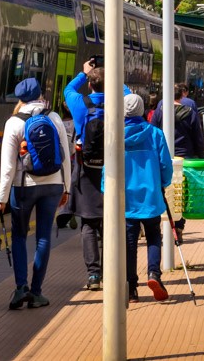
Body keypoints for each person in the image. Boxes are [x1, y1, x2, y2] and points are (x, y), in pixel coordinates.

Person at [0, 78, 72, 310]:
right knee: (44, 236)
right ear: (40, 94)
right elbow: (65, 156)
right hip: (53, 184)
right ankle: (37, 293)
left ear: (20, 98)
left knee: (19, 235)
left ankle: (21, 289)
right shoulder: (54, 117)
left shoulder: (14, 123)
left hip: (24, 186)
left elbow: (7, 168)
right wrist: (66, 187)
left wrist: (1, 200)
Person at [63, 60, 128, 290]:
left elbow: (67, 90)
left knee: (89, 224)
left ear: (90, 85)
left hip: (87, 170)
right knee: (112, 222)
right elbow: (128, 92)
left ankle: (93, 275)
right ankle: (113, 269)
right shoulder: (120, 103)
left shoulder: (80, 104)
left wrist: (84, 73)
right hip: (113, 171)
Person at [106, 93, 174, 305]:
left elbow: (107, 169)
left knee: (129, 242)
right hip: (151, 195)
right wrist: (163, 183)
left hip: (125, 198)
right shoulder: (155, 134)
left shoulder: (114, 135)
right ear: (142, 110)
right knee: (154, 236)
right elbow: (166, 166)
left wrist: (105, 190)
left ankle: (131, 288)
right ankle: (154, 274)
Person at [150, 82, 204, 160]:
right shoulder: (190, 113)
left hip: (163, 153)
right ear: (181, 96)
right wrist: (201, 155)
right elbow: (197, 136)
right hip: (185, 155)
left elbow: (153, 132)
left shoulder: (160, 111)